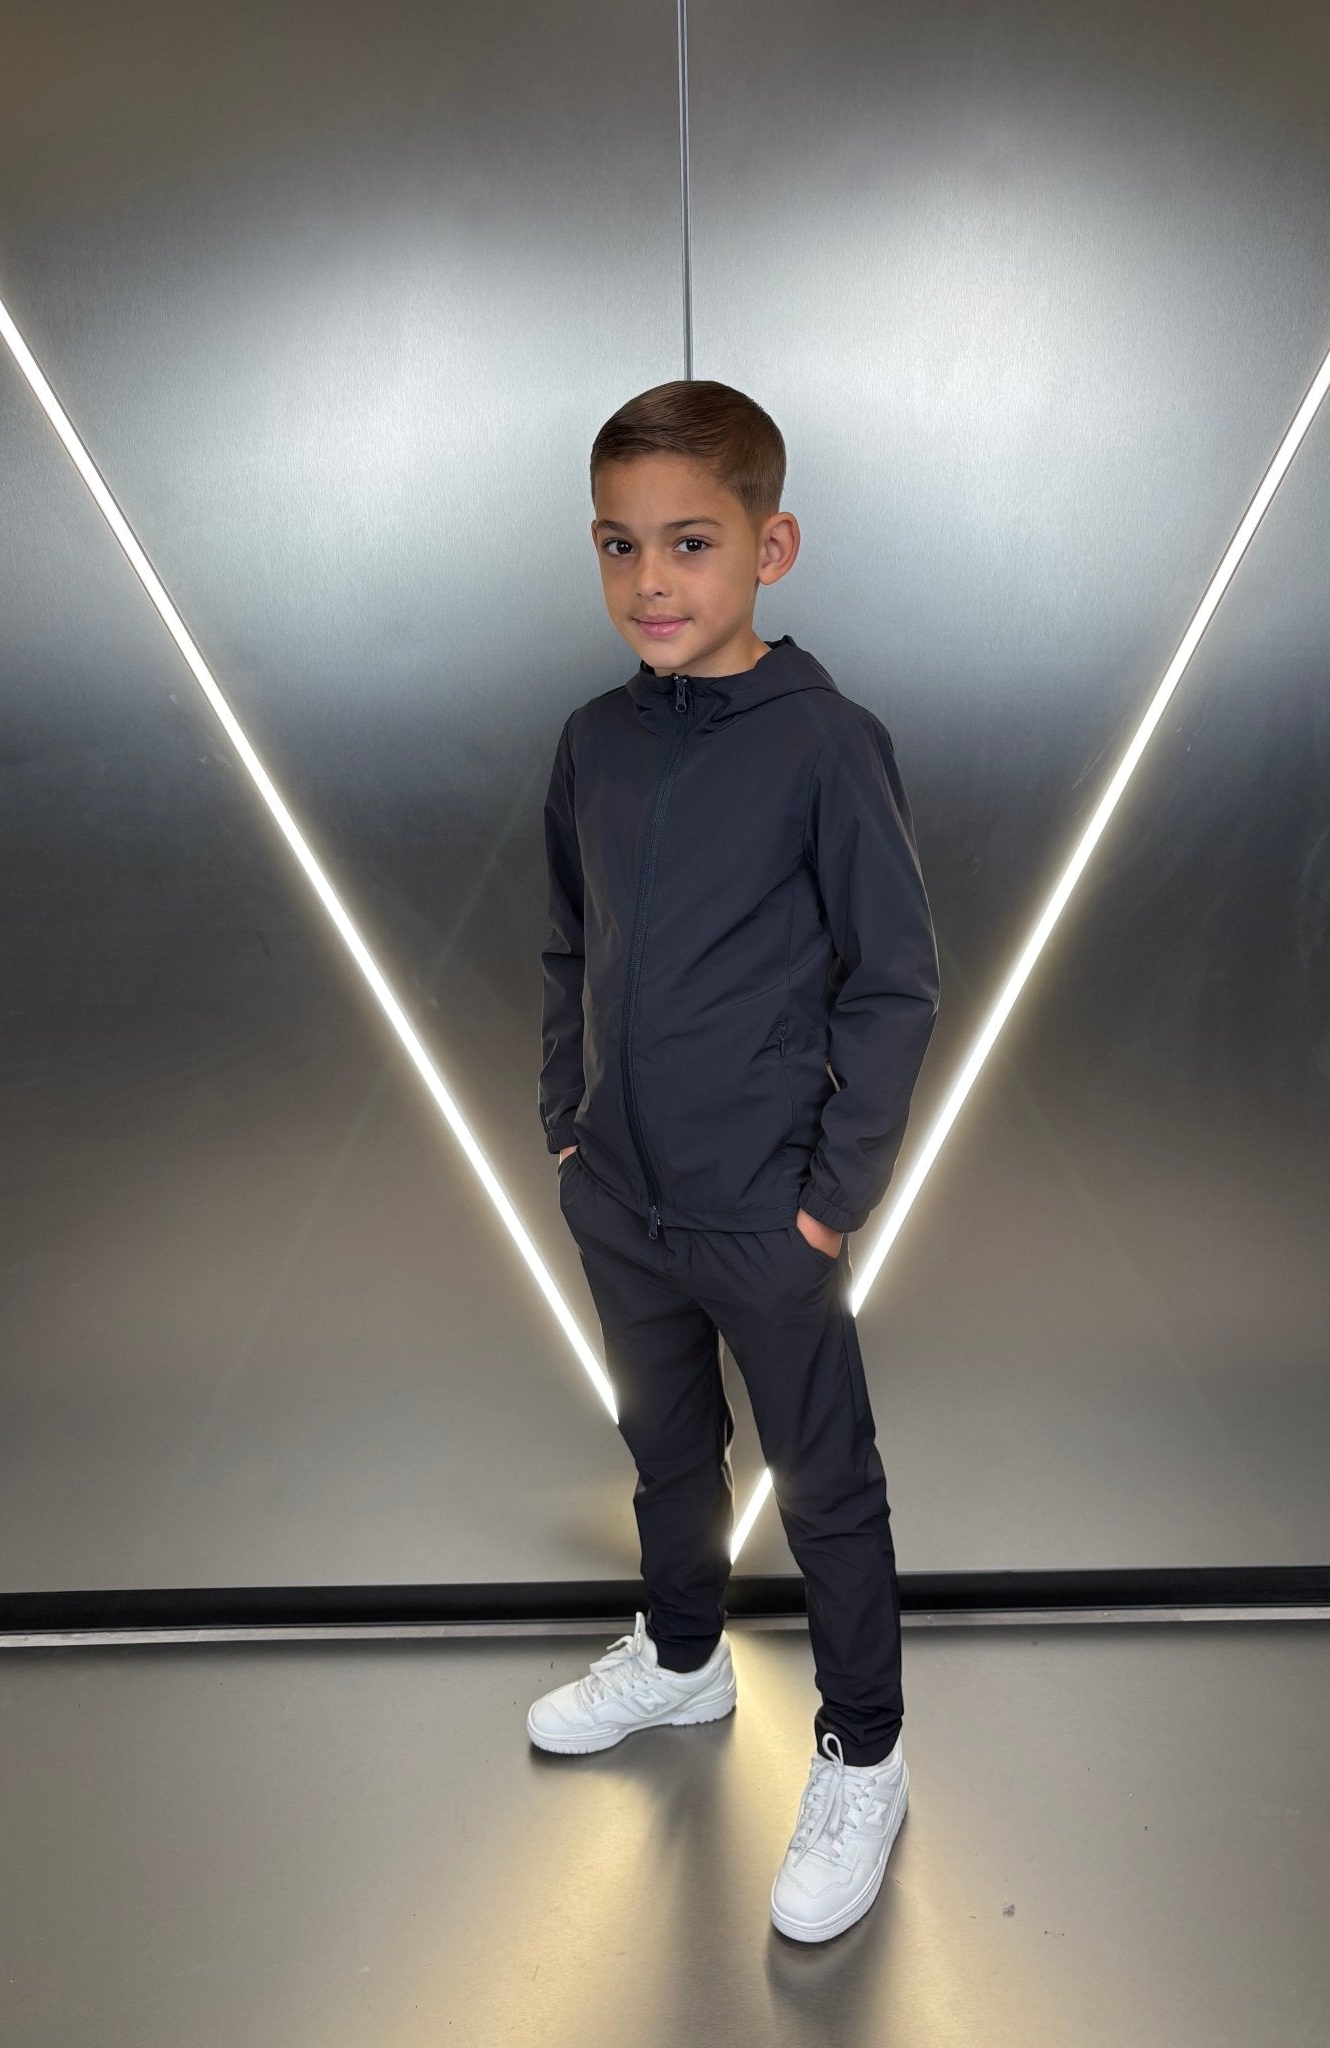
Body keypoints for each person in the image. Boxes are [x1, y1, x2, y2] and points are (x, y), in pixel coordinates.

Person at [530, 378, 940, 1943]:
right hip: (621, 1199)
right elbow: (571, 944)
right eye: (619, 545)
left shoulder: (827, 744)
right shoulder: (592, 742)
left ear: (771, 547)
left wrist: (831, 1200)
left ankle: (866, 1750)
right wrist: (567, 1123)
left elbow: (893, 982)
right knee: (664, 1447)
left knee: (824, 1484)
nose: (652, 581)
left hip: (769, 1214)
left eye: (690, 543)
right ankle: (685, 1657)